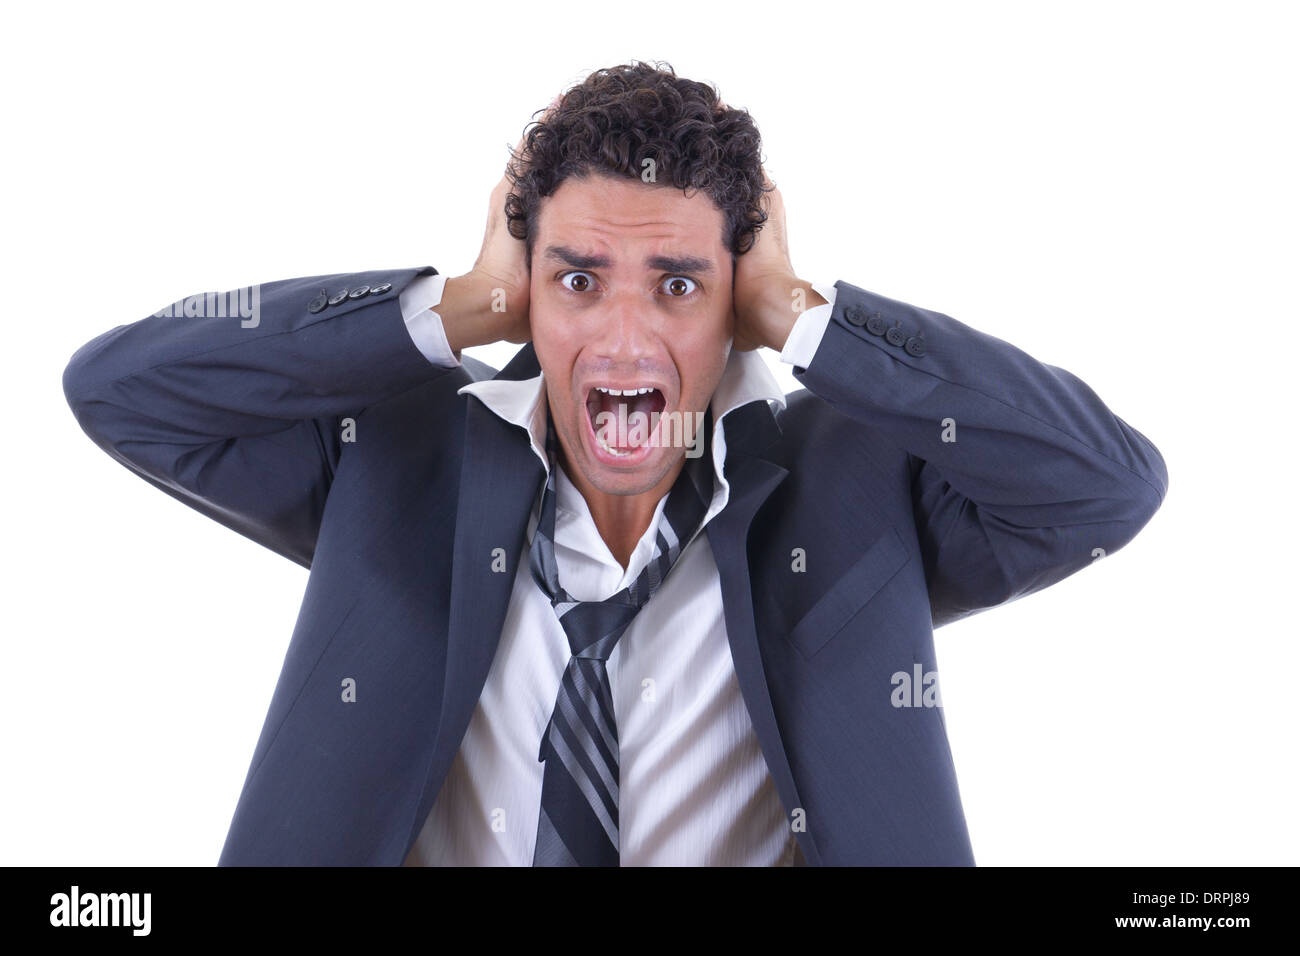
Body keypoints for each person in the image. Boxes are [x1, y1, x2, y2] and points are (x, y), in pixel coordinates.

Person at [61, 61, 1168, 866]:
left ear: (735, 297)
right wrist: (455, 307)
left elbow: (1103, 485)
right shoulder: (394, 461)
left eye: (679, 284)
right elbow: (124, 392)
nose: (627, 338)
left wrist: (806, 318)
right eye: (578, 279)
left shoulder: (853, 488)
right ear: (526, 285)